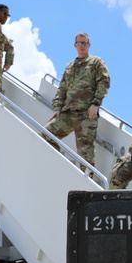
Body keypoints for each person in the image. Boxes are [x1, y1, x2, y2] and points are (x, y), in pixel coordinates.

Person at [44, 32, 111, 165]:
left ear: (89, 45)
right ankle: (61, 163)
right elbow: (62, 88)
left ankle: (88, 182)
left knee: (86, 154)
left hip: (86, 114)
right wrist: (57, 108)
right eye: (80, 43)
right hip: (68, 112)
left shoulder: (96, 62)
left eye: (85, 43)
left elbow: (104, 82)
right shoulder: (70, 66)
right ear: (75, 45)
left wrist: (96, 103)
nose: (82, 46)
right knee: (46, 135)